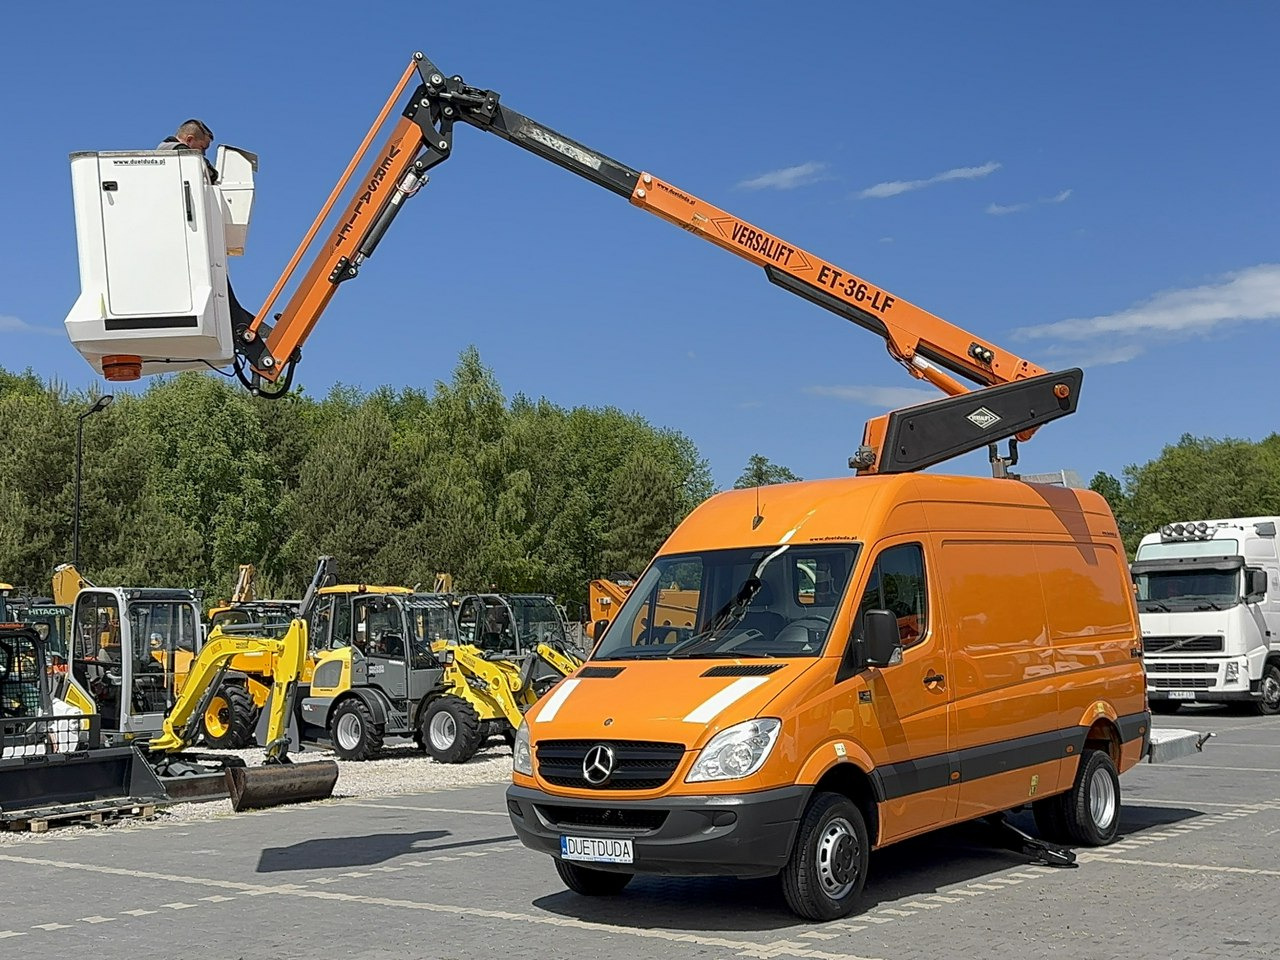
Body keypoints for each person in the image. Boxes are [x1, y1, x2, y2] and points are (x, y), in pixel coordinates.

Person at [156, 119, 258, 332]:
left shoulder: (173, 156)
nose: (203, 155)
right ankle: (238, 322)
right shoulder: (176, 153)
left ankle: (237, 318)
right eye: (202, 149)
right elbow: (205, 171)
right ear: (190, 139)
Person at [157, 119, 218, 183]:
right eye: (202, 147)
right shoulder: (179, 150)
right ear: (189, 140)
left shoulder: (166, 147)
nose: (204, 153)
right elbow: (211, 174)